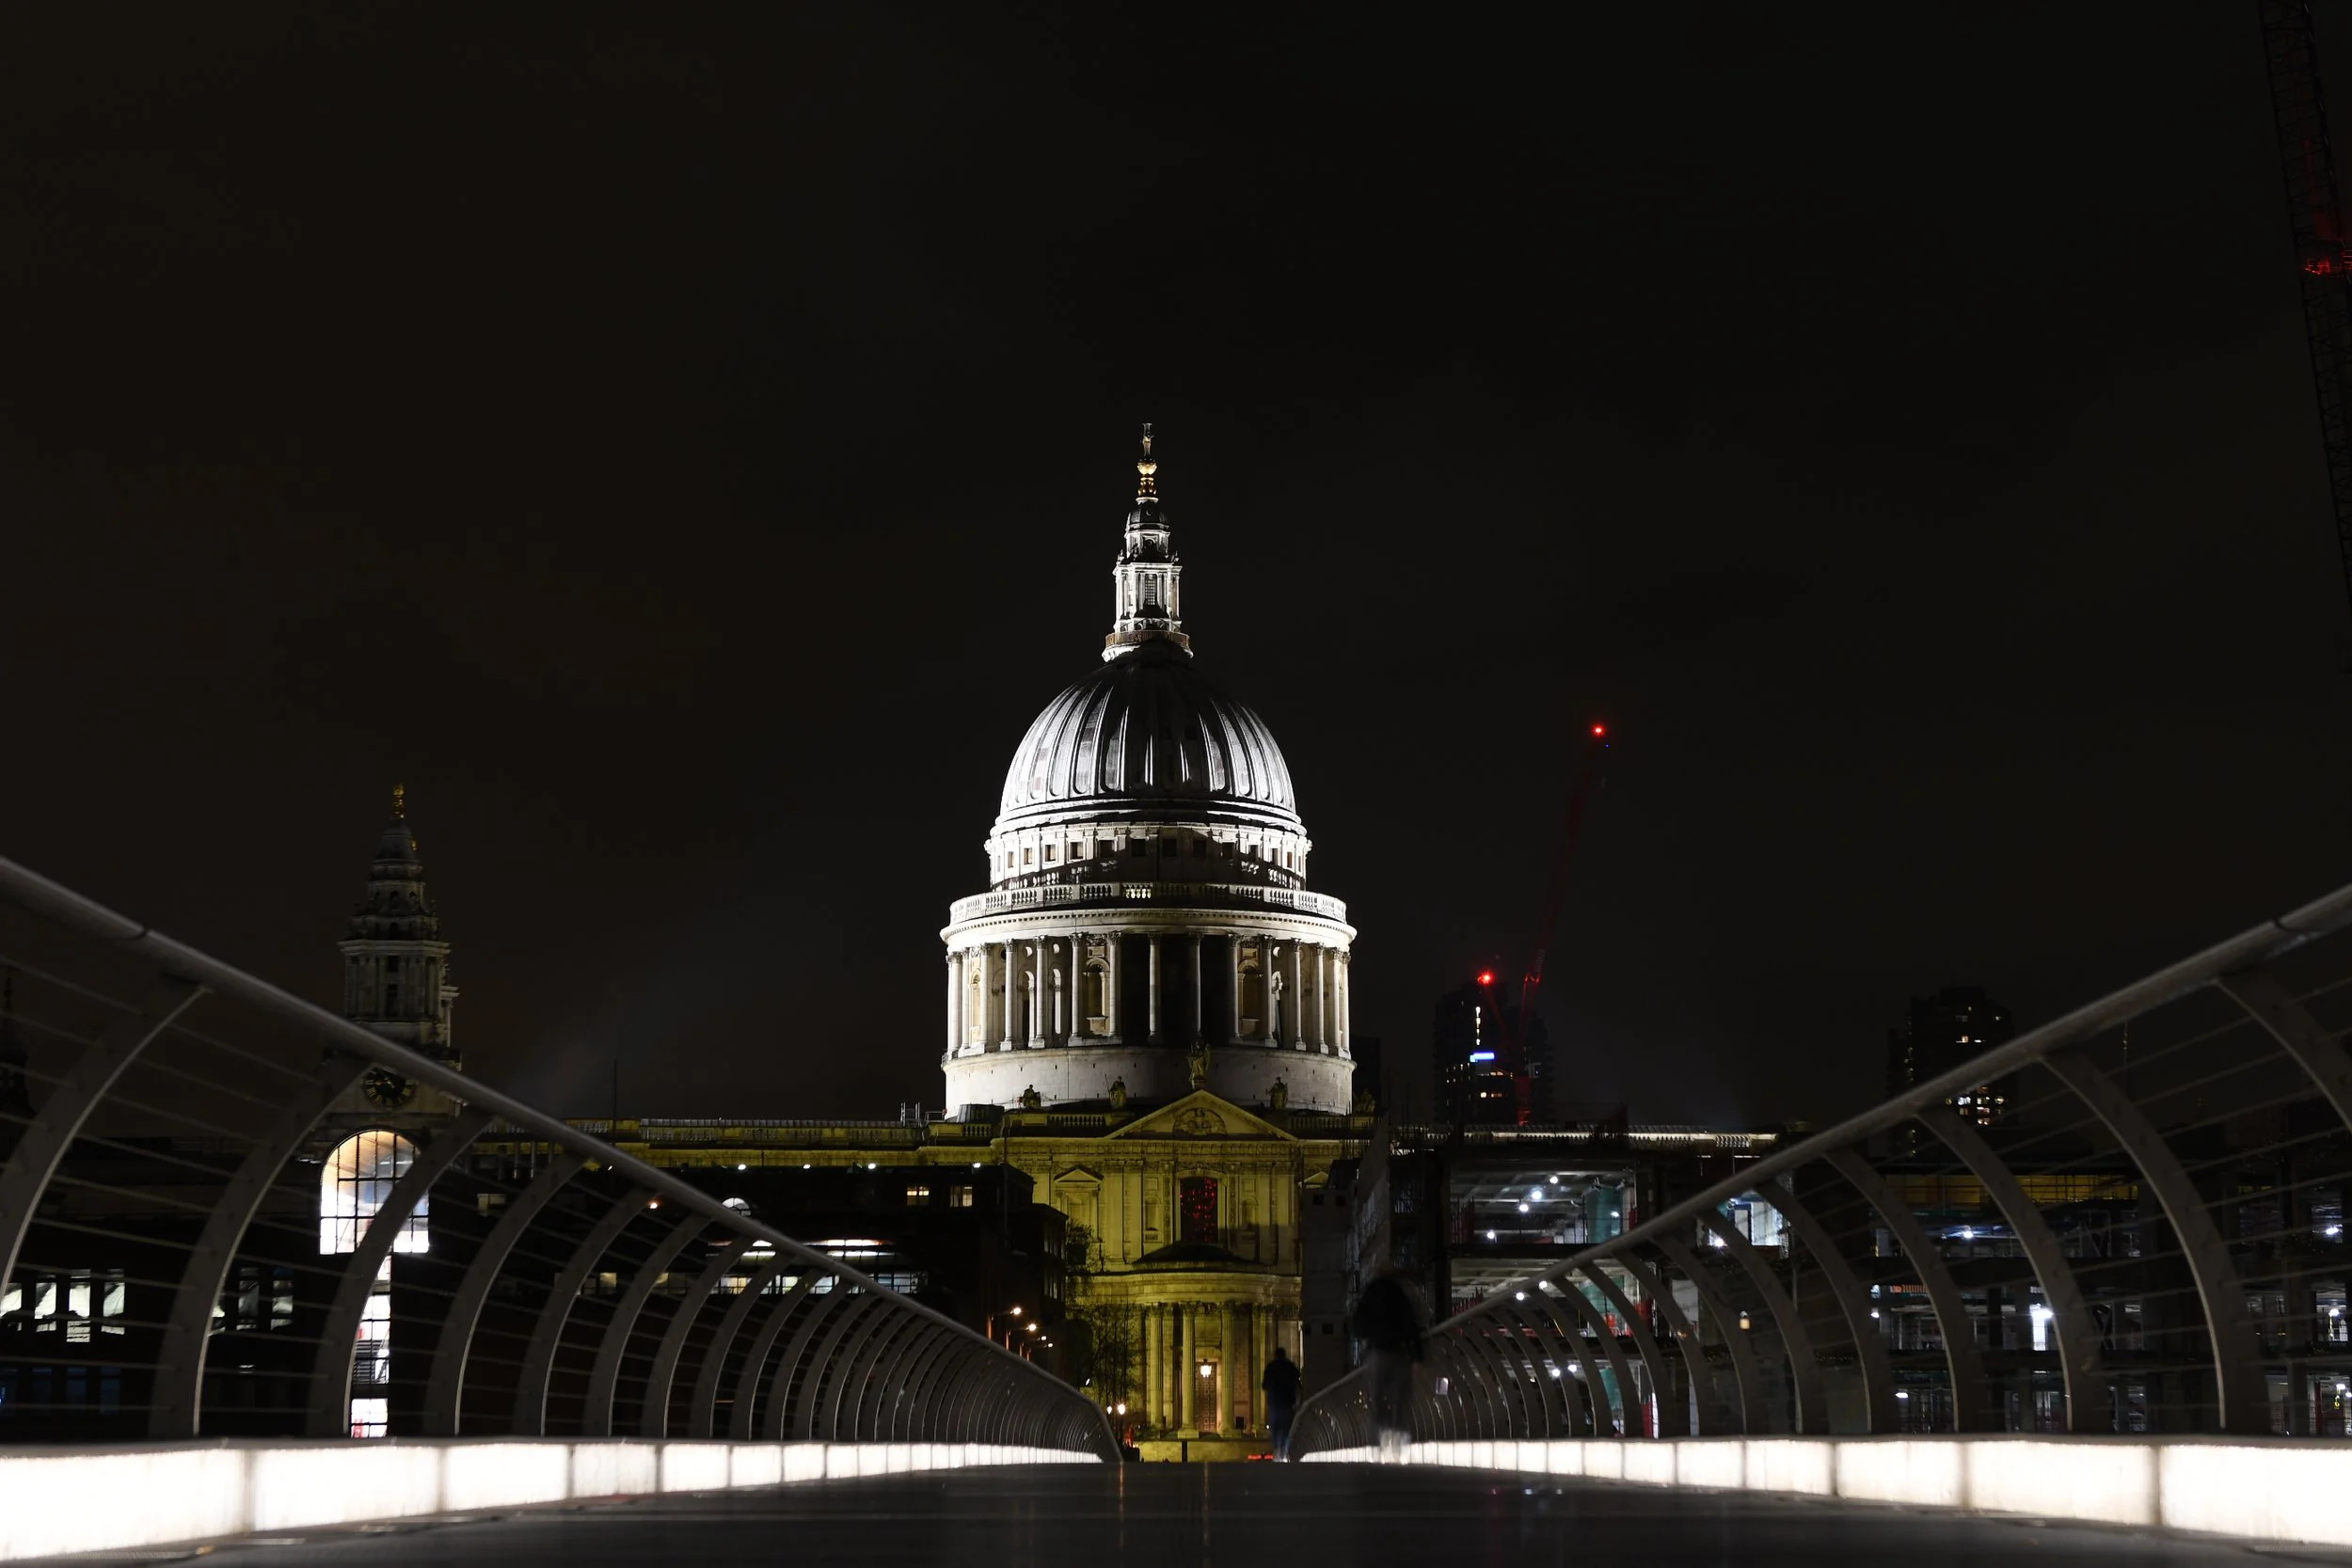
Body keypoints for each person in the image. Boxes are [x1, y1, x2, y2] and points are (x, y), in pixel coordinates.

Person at [1350, 1275, 1424, 1462]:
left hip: (1377, 1354)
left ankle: (1379, 1446)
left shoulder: (1370, 1296)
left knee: (1377, 1401)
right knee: (1400, 1401)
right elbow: (1412, 1325)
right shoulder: (1399, 1296)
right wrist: (1418, 1356)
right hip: (1400, 1353)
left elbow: (1357, 1326)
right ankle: (1398, 1447)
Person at [1261, 1345, 1301, 1459]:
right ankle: (1284, 1451)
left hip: (1275, 1403)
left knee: (1276, 1428)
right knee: (1287, 1429)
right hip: (1288, 1404)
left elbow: (1264, 1385)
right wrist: (1298, 1401)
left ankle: (1277, 1450)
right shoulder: (1290, 1367)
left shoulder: (1271, 1367)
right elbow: (1298, 1384)